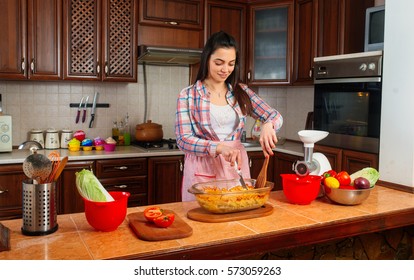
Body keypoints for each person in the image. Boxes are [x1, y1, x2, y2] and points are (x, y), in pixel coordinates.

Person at [175, 31, 283, 201]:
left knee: (237, 217)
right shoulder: (188, 95)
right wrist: (218, 148)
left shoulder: (241, 91)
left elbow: (274, 115)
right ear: (207, 60)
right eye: (219, 63)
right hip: (202, 169)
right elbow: (183, 140)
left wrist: (268, 125)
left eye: (231, 63)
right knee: (202, 220)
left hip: (235, 167)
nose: (225, 69)